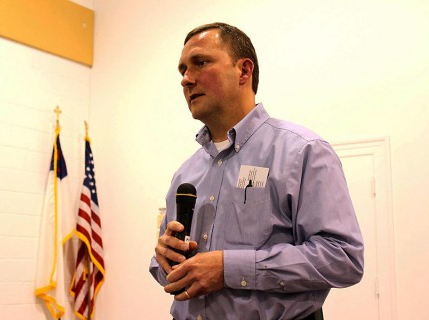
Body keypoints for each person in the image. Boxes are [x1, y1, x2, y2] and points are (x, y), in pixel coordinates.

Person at [149, 22, 364, 320]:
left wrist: (229, 269)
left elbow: (343, 258)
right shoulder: (186, 173)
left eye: (200, 63)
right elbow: (166, 271)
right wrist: (165, 260)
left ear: (244, 71)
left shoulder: (303, 152)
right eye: (183, 70)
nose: (186, 79)